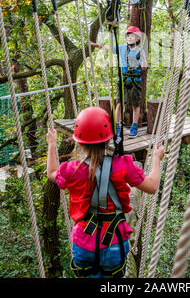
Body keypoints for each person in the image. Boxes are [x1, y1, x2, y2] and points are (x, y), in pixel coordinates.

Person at [47, 106, 164, 278]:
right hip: (114, 242)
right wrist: (156, 160)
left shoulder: (72, 170)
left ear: (78, 142)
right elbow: (152, 186)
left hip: (83, 243)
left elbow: (51, 173)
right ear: (109, 140)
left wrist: (52, 144)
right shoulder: (123, 164)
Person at [91, 26, 147, 138]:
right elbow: (108, 48)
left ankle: (134, 126)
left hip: (135, 81)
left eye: (132, 36)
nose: (130, 38)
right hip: (124, 81)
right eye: (128, 36)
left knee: (135, 105)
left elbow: (144, 68)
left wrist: (142, 55)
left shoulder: (139, 51)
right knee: (119, 103)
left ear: (137, 39)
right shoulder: (122, 48)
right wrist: (96, 45)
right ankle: (117, 125)